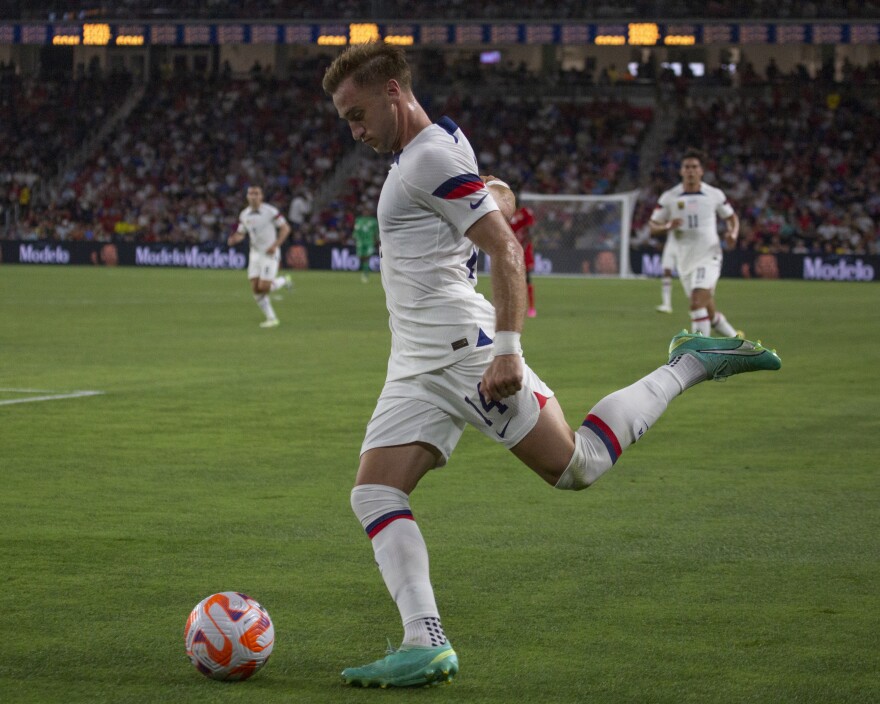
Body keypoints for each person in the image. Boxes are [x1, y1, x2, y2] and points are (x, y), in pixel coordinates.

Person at [322, 43, 781, 689]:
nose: (355, 130)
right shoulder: (436, 146)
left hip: (460, 354)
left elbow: (505, 248)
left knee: (578, 466)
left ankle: (693, 360)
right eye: (347, 120)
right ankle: (422, 640)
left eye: (357, 113)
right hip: (416, 364)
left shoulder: (425, 157)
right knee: (375, 491)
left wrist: (507, 347)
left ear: (393, 93)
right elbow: (489, 199)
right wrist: (495, 195)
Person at [649, 149, 741, 337]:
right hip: (685, 260)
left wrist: (733, 233)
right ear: (681, 171)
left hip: (709, 255)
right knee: (707, 310)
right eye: (687, 167)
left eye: (694, 167)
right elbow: (652, 226)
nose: (690, 170)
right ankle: (736, 340)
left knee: (696, 303)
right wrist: (667, 225)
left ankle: (700, 355)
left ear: (701, 171)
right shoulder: (670, 197)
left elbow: (732, 217)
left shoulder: (714, 194)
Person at [227, 185, 293, 328]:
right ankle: (272, 319)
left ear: (261, 196)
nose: (253, 196)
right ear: (247, 197)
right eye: (251, 194)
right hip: (255, 255)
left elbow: (286, 228)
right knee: (255, 290)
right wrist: (234, 239)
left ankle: (283, 280)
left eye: (256, 194)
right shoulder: (244, 214)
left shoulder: (270, 211)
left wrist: (275, 245)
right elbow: (241, 232)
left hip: (270, 254)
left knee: (263, 287)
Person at [509, 205, 537, 317]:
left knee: (527, 278)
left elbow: (530, 232)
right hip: (511, 250)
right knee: (511, 279)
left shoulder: (525, 212)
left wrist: (523, 248)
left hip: (524, 251)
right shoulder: (507, 213)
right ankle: (514, 306)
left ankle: (531, 308)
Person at [352, 203, 379, 283]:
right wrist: (355, 237)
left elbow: (375, 232)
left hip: (369, 242)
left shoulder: (373, 221)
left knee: (367, 257)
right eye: (364, 211)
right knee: (361, 257)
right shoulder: (359, 220)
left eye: (367, 211)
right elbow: (356, 231)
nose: (366, 212)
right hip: (360, 242)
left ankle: (365, 274)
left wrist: (376, 240)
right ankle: (364, 270)